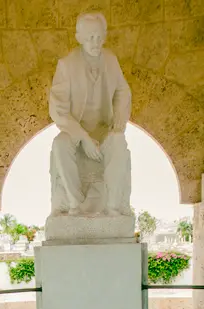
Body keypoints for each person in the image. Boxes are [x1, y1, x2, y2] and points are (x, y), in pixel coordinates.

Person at [48, 12, 132, 216]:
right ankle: (75, 203)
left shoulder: (111, 60)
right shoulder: (67, 65)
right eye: (90, 37)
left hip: (103, 129)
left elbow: (123, 91)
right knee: (59, 144)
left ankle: (112, 206)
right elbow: (58, 109)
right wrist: (83, 138)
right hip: (76, 130)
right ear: (79, 38)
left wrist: (118, 122)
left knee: (119, 141)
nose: (96, 42)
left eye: (99, 37)